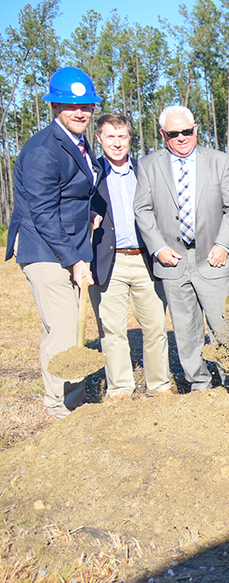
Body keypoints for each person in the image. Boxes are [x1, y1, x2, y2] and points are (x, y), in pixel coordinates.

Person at [5, 67, 101, 417]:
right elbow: (43, 212)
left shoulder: (77, 142)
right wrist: (75, 260)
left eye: (86, 106)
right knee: (61, 330)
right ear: (54, 106)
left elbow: (74, 194)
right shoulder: (43, 150)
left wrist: (91, 213)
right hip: (46, 251)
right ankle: (60, 409)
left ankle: (71, 403)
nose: (80, 113)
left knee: (66, 327)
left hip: (67, 247)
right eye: (70, 105)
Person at [133, 105, 229, 392]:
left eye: (186, 131)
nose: (181, 137)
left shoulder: (220, 161)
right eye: (173, 133)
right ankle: (199, 384)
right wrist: (157, 248)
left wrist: (222, 244)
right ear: (163, 135)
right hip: (172, 261)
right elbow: (142, 210)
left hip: (212, 257)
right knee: (186, 330)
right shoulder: (148, 165)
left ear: (196, 130)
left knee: (224, 328)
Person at [89, 114, 172, 400]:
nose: (116, 143)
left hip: (144, 259)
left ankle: (159, 384)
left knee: (156, 326)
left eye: (122, 136)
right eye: (110, 137)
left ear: (129, 139)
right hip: (107, 260)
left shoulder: (144, 170)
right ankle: (120, 387)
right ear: (99, 138)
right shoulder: (91, 173)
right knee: (112, 330)